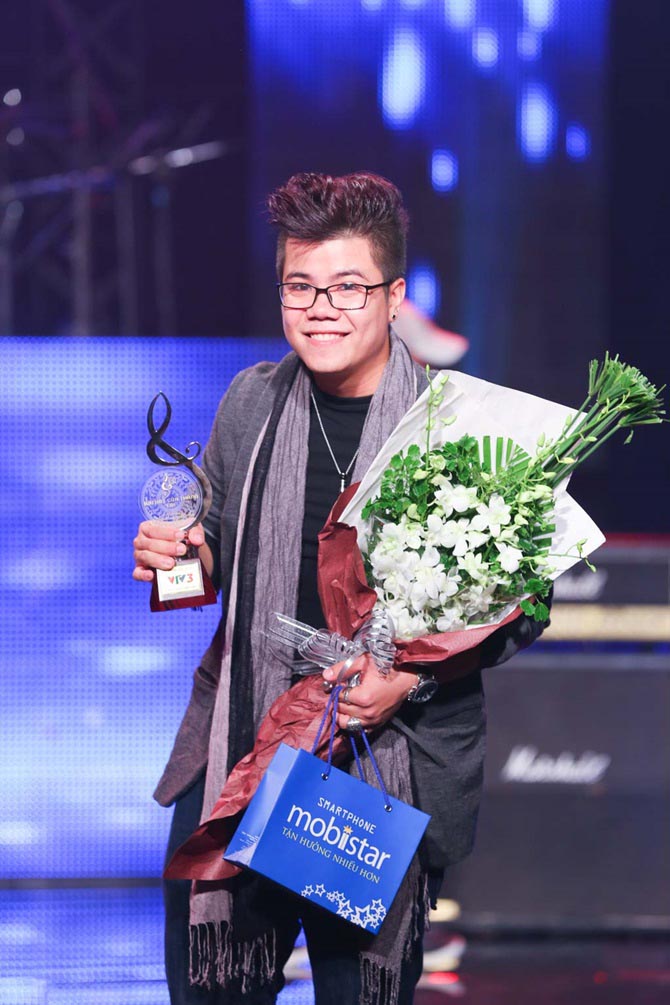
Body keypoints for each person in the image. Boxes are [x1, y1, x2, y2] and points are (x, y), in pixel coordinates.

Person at [132, 172, 548, 1005]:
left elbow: (521, 605)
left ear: (394, 297)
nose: (321, 308)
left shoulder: (456, 428)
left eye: (348, 287)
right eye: (301, 286)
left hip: (379, 765)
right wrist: (175, 558)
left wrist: (410, 675)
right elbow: (209, 566)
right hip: (245, 750)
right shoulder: (252, 402)